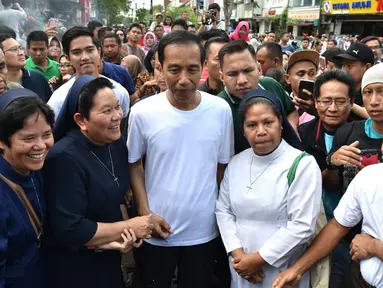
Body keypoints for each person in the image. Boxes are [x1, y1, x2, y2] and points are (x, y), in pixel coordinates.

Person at [128, 30, 234, 288]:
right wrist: (144, 212)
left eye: (193, 69)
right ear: (159, 68)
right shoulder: (142, 112)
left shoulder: (220, 110)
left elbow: (223, 168)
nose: (184, 80)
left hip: (204, 231)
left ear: (205, 68)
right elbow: (135, 164)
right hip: (156, 230)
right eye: (174, 69)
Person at [42, 76, 152, 288]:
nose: (117, 116)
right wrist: (128, 226)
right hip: (74, 268)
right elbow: (70, 229)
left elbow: (116, 194)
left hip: (108, 258)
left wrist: (128, 234)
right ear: (81, 120)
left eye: (118, 107)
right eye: (106, 111)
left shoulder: (116, 142)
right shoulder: (64, 158)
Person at [216, 89, 321, 288]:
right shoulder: (236, 162)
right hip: (241, 266)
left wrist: (258, 260)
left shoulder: (302, 164)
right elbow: (223, 210)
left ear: (281, 123)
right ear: (243, 130)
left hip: (281, 267)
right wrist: (238, 255)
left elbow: (302, 225)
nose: (261, 131)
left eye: (268, 122)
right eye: (252, 125)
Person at [298, 70, 355, 287]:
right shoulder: (302, 134)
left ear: (352, 101)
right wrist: (332, 164)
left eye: (340, 101)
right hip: (314, 226)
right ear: (316, 102)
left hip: (353, 231)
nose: (332, 108)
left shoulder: (362, 132)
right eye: (326, 101)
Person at [0, 88, 55, 288]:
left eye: (47, 134)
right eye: (28, 138)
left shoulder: (37, 170)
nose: (41, 146)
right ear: (2, 142)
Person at [218, 40, 298, 154]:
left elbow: (291, 111)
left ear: (259, 69)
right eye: (232, 74)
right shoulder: (219, 107)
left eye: (247, 71)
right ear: (222, 77)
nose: (242, 81)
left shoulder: (271, 86)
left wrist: (292, 128)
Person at [47, 26, 130, 121]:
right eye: (77, 52)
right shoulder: (60, 99)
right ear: (69, 58)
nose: (85, 57)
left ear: (98, 52)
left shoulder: (119, 91)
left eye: (90, 50)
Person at [0, 33, 52, 102]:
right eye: (13, 49)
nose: (21, 53)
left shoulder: (38, 78)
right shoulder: (2, 86)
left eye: (20, 48)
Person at [334, 42, 374, 120]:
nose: (345, 70)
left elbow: (373, 116)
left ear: (367, 67)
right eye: (344, 65)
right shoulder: (340, 87)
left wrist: (345, 102)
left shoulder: (375, 91)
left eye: (349, 65)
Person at [284, 50, 320, 124]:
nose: (307, 78)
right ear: (288, 79)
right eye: (301, 74)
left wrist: (317, 112)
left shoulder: (325, 104)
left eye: (312, 73)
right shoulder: (282, 104)